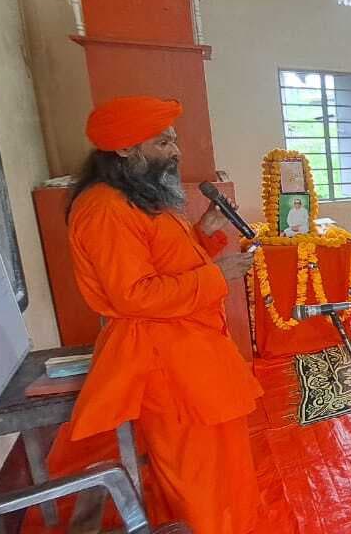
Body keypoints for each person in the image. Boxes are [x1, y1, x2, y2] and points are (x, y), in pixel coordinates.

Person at [64, 96, 261, 532]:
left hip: (195, 354)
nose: (176, 152)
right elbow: (134, 296)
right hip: (168, 364)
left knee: (224, 466)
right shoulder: (105, 209)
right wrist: (216, 275)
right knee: (196, 475)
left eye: (173, 140)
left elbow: (165, 262)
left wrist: (204, 233)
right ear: (124, 148)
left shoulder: (135, 197)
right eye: (162, 142)